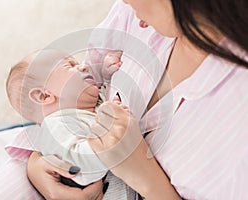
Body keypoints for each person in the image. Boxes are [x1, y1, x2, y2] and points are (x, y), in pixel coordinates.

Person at [27, 0, 248, 199]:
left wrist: (148, 179)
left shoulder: (236, 121)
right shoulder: (133, 13)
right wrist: (35, 165)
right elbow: (58, 104)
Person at [0, 49, 136, 199]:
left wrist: (106, 75)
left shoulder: (83, 110)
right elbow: (84, 169)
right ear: (44, 96)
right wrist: (112, 129)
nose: (84, 66)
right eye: (70, 66)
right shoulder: (57, 127)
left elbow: (103, 101)